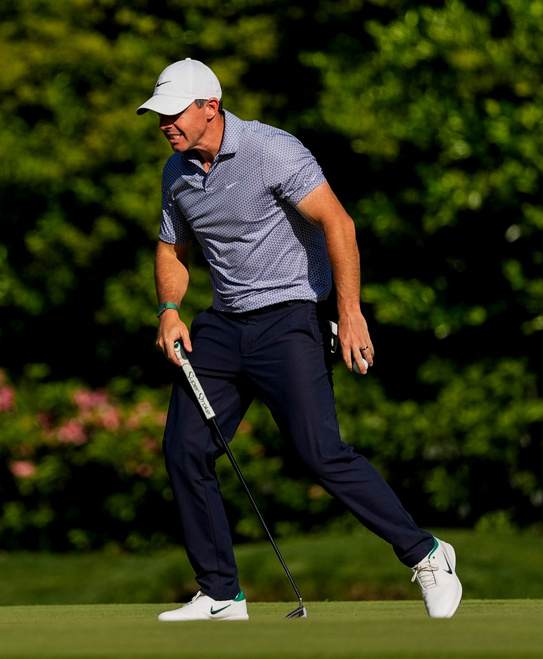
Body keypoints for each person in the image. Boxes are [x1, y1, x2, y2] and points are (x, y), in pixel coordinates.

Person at [137, 58, 462, 621]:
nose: (164, 123)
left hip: (289, 318)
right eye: (159, 115)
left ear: (210, 107)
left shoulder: (271, 149)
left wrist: (350, 310)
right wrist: (169, 310)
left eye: (173, 113)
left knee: (320, 453)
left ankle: (426, 552)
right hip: (222, 324)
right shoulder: (176, 173)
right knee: (185, 448)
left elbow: (339, 223)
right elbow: (172, 249)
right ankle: (220, 593)